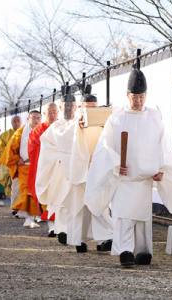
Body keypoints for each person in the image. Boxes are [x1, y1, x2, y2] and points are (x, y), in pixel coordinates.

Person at [84, 69, 172, 266]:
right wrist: (116, 164)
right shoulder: (116, 118)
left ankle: (143, 252)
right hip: (124, 178)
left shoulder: (154, 117)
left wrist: (162, 168)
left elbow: (164, 145)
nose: (138, 101)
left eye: (142, 97)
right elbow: (105, 146)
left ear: (146, 95)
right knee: (124, 216)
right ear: (127, 95)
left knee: (143, 219)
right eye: (134, 97)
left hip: (144, 178)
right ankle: (125, 251)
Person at [36, 86, 113, 252]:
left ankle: (104, 239)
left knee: (99, 203)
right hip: (73, 171)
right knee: (77, 207)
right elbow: (53, 142)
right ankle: (79, 240)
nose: (69, 108)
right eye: (66, 106)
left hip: (95, 168)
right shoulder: (64, 126)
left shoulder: (98, 123)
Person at [0, 110, 42, 228]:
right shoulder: (21, 132)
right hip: (25, 166)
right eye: (33, 117)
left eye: (38, 118)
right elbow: (10, 149)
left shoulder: (44, 130)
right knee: (27, 192)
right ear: (28, 119)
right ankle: (29, 218)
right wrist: (17, 159)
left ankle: (34, 217)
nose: (36, 120)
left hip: (40, 167)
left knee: (37, 192)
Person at [28, 103, 59, 237]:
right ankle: (52, 227)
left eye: (54, 112)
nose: (52, 115)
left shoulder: (64, 127)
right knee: (48, 197)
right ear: (44, 115)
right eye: (49, 112)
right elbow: (32, 150)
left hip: (61, 168)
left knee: (61, 195)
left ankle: (62, 227)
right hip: (45, 169)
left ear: (58, 113)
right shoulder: (37, 131)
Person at [0, 115, 21, 213]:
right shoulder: (5, 135)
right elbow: (1, 149)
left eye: (18, 121)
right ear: (11, 123)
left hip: (23, 162)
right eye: (14, 121)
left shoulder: (24, 132)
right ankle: (15, 206)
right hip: (11, 163)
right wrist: (12, 158)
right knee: (14, 185)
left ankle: (22, 207)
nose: (16, 123)